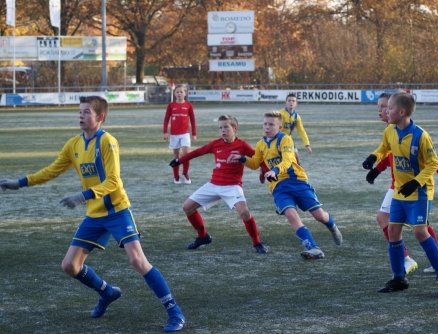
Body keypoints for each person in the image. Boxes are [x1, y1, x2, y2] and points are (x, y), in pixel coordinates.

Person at [0, 96, 186, 332]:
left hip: (117, 210)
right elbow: (51, 171)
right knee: (69, 266)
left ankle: (175, 312)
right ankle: (107, 292)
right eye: (79, 111)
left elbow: (114, 181)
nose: (80, 115)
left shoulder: (108, 142)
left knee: (137, 261)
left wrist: (83, 196)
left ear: (100, 117)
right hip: (94, 215)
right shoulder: (74, 144)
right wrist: (19, 183)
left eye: (86, 112)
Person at [361, 91, 438, 297]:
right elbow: (385, 148)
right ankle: (399, 278)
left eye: (389, 108)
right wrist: (372, 159)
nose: (385, 111)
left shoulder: (421, 135)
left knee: (420, 232)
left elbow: (433, 164)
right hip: (399, 193)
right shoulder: (391, 130)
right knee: (393, 232)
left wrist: (416, 182)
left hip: (420, 192)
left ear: (401, 112)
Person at [228, 111, 342, 259]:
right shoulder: (261, 144)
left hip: (297, 181)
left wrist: (274, 170)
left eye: (271, 124)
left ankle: (332, 226)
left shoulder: (285, 139)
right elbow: (255, 163)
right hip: (278, 186)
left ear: (280, 127)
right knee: (290, 213)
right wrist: (242, 159)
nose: (267, 127)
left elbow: (288, 160)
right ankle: (313, 247)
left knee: (319, 216)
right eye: (265, 124)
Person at [169, 115, 268, 254]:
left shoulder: (242, 145)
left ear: (234, 128)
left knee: (245, 213)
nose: (222, 130)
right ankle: (203, 236)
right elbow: (198, 152)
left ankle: (257, 242)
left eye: (226, 127)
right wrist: (180, 160)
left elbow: (258, 159)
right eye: (220, 127)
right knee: (187, 207)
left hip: (233, 186)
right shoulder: (215, 144)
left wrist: (265, 171)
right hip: (213, 184)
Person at [258, 93, 312, 183]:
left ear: (296, 104)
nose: (291, 103)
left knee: (296, 157)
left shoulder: (296, 117)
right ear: (285, 103)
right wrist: (265, 137)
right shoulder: (281, 114)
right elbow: (270, 126)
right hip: (276, 139)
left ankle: (296, 175)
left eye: (293, 101)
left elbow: (302, 131)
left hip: (287, 140)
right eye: (289, 101)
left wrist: (307, 144)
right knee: (272, 157)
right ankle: (264, 169)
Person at [163, 84, 196, 184]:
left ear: (185, 93)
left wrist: (194, 133)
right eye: (177, 92)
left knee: (186, 154)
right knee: (176, 154)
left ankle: (185, 173)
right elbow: (166, 119)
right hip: (174, 134)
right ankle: (176, 176)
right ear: (174, 93)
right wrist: (165, 132)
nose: (179, 94)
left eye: (181, 92)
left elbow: (193, 120)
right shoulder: (171, 105)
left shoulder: (189, 105)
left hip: (185, 133)